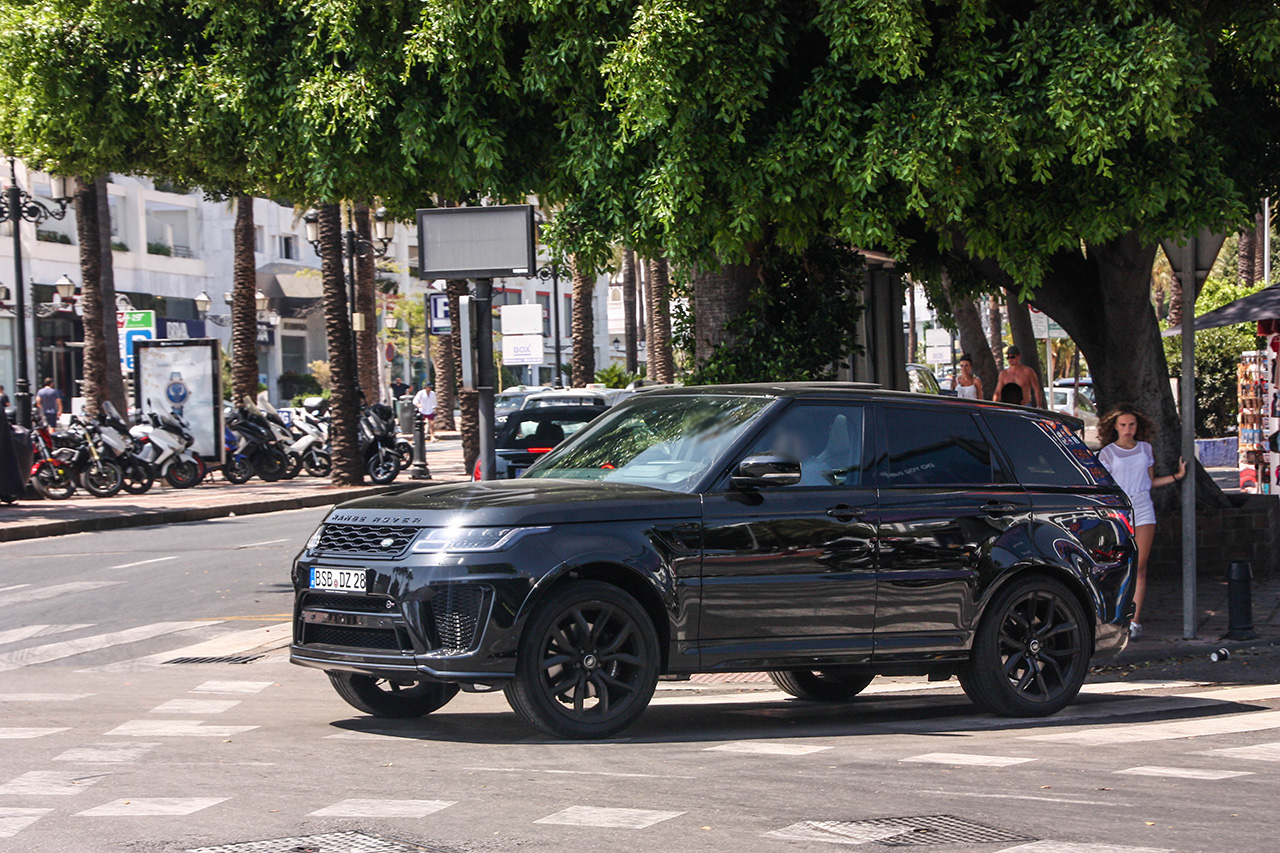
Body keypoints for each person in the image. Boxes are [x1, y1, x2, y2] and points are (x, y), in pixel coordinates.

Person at [1096, 405, 1186, 640]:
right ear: (1114, 426)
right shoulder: (1107, 453)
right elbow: (1101, 488)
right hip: (1118, 509)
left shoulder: (1145, 449)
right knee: (1117, 564)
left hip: (1143, 506)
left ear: (1138, 426)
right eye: (1123, 425)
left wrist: (1177, 476)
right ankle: (1112, 615)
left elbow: (1150, 480)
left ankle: (1134, 621)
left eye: (1132, 425)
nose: (1128, 429)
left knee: (1140, 566)